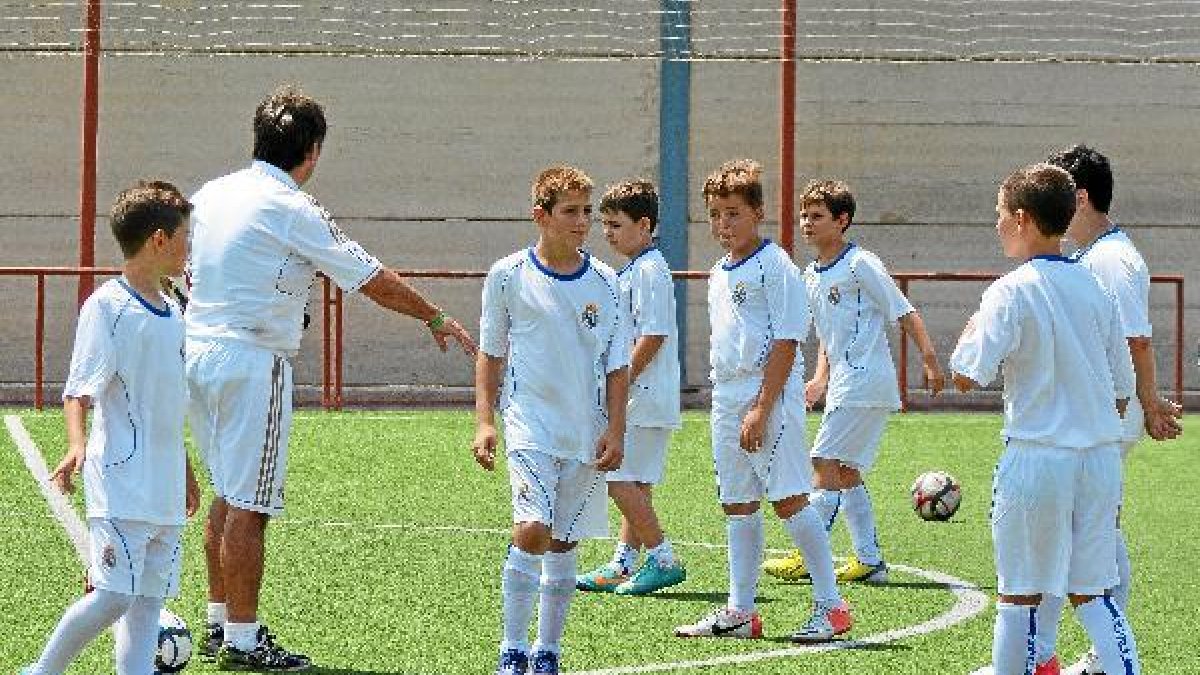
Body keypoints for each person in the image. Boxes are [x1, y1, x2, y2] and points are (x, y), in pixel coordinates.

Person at [186, 85, 475, 670]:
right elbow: (370, 277)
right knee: (249, 505)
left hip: (197, 351)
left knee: (227, 492)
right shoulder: (294, 208)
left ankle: (219, 624)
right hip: (252, 359)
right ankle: (242, 640)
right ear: (312, 151)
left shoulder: (211, 194)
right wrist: (435, 315)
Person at [952, 164, 1141, 675]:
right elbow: (1123, 391)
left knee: (1020, 598)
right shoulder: (1094, 286)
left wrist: (970, 333)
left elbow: (968, 375)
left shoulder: (1011, 291)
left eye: (999, 215)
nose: (995, 226)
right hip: (1100, 460)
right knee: (1095, 595)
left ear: (1021, 218)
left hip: (1038, 459)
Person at [22, 181, 200, 675]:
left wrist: (182, 464)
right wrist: (76, 444)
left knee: (146, 603)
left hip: (163, 487)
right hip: (121, 479)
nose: (190, 247)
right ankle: (41, 672)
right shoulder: (107, 307)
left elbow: (164, 400)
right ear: (159, 240)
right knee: (113, 597)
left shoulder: (175, 309)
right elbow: (79, 388)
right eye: (185, 236)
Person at [674, 159, 852, 643]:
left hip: (766, 394)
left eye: (732, 213)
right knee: (737, 503)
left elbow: (786, 342)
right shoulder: (718, 271)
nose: (722, 224)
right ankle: (740, 611)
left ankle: (832, 605)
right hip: (726, 393)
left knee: (790, 499)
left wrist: (760, 406)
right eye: (714, 214)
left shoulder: (775, 266)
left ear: (758, 212)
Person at [473, 165, 631, 675]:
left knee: (564, 541)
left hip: (583, 430)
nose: (582, 222)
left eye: (587, 211)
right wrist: (485, 421)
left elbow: (617, 363)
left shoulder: (606, 282)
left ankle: (548, 652)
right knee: (532, 529)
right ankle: (511, 649)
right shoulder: (507, 275)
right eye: (570, 211)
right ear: (540, 214)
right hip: (528, 425)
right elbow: (491, 352)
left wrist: (616, 428)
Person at [1033, 145, 1183, 674]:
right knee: (1091, 532)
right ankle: (1092, 654)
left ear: (1079, 196)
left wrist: (1147, 403)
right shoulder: (1093, 254)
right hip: (1092, 415)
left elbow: (1135, 340)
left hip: (1103, 418)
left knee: (1078, 535)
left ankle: (1078, 655)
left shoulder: (1113, 260)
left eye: (1053, 191)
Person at [762, 180, 944, 585]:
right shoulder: (811, 274)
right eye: (804, 216)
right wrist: (819, 378)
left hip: (866, 381)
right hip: (846, 383)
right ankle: (870, 560)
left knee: (822, 462)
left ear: (842, 220)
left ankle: (809, 554)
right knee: (845, 472)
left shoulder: (861, 263)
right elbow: (828, 335)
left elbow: (904, 311)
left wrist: (930, 361)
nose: (807, 224)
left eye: (818, 216)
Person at [574, 179, 686, 597]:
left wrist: (617, 385)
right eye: (604, 223)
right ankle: (624, 561)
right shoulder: (639, 268)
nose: (607, 232)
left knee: (616, 476)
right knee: (634, 481)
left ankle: (663, 557)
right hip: (648, 396)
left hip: (643, 395)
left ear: (644, 225)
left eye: (615, 224)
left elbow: (652, 335)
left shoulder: (650, 270)